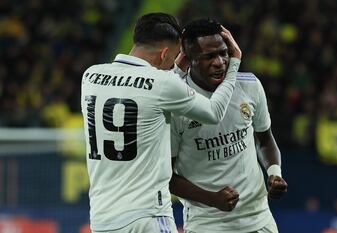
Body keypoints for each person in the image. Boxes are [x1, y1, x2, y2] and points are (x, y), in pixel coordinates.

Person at [80, 13, 242, 233]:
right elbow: (213, 113)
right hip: (147, 216)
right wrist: (234, 64)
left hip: (102, 219)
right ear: (165, 53)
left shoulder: (91, 76)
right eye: (172, 57)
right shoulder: (163, 83)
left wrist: (173, 71)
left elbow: (140, 92)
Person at [169, 18, 288, 233]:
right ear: (189, 59)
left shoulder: (249, 85)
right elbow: (166, 175)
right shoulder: (176, 102)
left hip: (259, 219)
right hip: (206, 224)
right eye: (209, 56)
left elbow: (264, 137)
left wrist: (274, 172)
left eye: (224, 53)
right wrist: (211, 199)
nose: (220, 62)